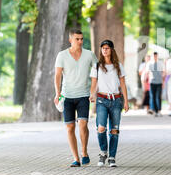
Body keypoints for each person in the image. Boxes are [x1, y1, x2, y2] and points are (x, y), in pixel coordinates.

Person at [54, 29, 98, 167]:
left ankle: (84, 152)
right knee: (70, 127)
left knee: (83, 125)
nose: (80, 41)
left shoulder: (89, 55)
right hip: (67, 96)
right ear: (70, 40)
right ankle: (76, 158)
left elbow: (97, 71)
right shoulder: (62, 55)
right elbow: (57, 76)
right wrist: (57, 93)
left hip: (84, 96)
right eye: (77, 39)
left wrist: (93, 91)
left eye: (81, 39)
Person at [89, 40, 129, 167]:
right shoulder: (97, 66)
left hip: (116, 100)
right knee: (101, 127)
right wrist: (92, 94)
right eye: (103, 48)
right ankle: (103, 152)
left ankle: (112, 157)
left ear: (111, 49)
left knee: (114, 130)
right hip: (102, 100)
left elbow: (123, 84)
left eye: (107, 48)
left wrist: (126, 101)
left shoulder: (118, 66)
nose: (104, 50)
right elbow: (94, 82)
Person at [145, 52, 165, 117]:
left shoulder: (160, 63)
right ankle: (153, 110)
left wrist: (163, 81)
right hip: (152, 82)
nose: (155, 57)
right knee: (152, 96)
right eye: (154, 56)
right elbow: (147, 73)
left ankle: (159, 110)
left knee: (158, 96)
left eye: (156, 56)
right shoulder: (149, 63)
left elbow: (164, 72)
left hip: (159, 82)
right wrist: (146, 81)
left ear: (157, 56)